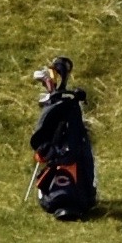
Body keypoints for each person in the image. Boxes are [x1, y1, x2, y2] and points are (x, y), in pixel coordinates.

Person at [27, 58, 100, 221]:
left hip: (70, 197)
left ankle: (51, 84)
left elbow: (42, 148)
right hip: (81, 198)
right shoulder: (83, 201)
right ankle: (52, 83)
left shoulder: (49, 203)